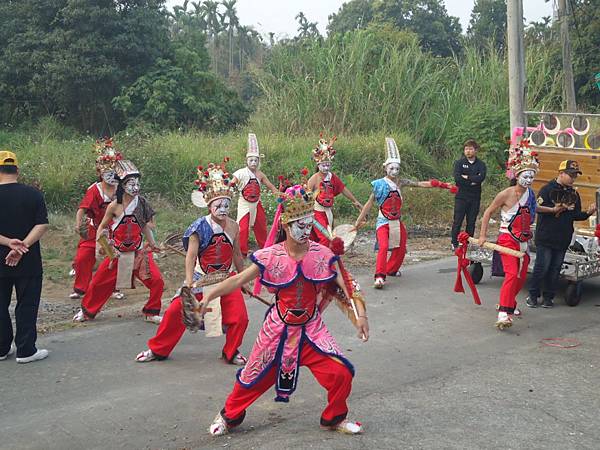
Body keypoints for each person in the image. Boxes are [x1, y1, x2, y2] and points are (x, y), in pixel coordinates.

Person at [202, 182, 369, 437]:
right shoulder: (271, 256)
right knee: (253, 377)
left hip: (311, 329)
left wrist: (361, 315)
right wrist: (209, 295)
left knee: (341, 372)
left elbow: (347, 284)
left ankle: (335, 417)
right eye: (299, 224)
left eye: (309, 222)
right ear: (285, 225)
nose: (305, 229)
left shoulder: (322, 254)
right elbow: (237, 280)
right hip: (278, 330)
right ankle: (228, 416)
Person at [135, 159, 249, 365]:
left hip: (226, 279)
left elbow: (237, 256)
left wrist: (243, 280)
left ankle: (231, 352)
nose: (223, 209)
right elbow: (190, 256)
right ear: (209, 205)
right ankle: (158, 349)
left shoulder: (233, 226)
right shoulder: (199, 227)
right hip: (201, 278)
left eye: (226, 205)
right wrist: (188, 281)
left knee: (240, 317)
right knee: (174, 311)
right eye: (218, 205)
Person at [354, 137, 456, 289]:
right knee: (382, 247)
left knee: (401, 248)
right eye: (391, 168)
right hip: (383, 221)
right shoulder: (379, 185)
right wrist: (358, 222)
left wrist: (441, 185)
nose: (394, 171)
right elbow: (369, 204)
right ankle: (380, 276)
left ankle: (392, 270)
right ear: (385, 168)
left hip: (397, 221)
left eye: (397, 169)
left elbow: (420, 184)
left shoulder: (402, 182)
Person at [73, 160, 164, 323]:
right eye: (131, 183)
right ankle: (87, 312)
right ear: (122, 185)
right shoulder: (114, 206)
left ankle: (151, 311)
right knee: (98, 284)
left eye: (137, 183)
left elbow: (144, 226)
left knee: (157, 280)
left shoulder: (141, 203)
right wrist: (105, 247)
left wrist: (152, 243)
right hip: (117, 253)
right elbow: (101, 227)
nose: (135, 187)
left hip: (138, 252)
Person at [477, 144, 538, 329]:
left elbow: (533, 212)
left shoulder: (530, 195)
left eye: (532, 176)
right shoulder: (506, 194)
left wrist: (553, 209)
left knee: (520, 277)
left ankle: (509, 302)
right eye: (525, 176)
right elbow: (487, 212)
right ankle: (504, 313)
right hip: (507, 239)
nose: (529, 180)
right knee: (511, 274)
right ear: (517, 175)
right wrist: (482, 236)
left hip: (523, 241)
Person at [0, 150, 50, 363]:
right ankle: (26, 350)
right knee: (26, 304)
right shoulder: (33, 194)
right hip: (28, 260)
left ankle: (2, 348)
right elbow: (42, 224)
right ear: (17, 170)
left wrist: (8, 242)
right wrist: (23, 246)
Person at [526, 160, 596, 308]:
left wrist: (588, 213)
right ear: (561, 173)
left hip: (563, 237)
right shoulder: (547, 189)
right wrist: (553, 209)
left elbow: (576, 215)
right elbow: (536, 208)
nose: (573, 178)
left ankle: (549, 297)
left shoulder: (574, 193)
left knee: (555, 269)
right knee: (542, 267)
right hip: (546, 236)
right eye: (570, 175)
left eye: (575, 175)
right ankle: (533, 295)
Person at [69, 138, 120, 300]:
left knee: (115, 258)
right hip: (95, 229)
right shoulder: (94, 190)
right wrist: (78, 224)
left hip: (116, 230)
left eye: (113, 172)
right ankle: (80, 289)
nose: (110, 176)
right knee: (83, 257)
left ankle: (113, 288)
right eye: (107, 173)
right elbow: (82, 209)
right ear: (100, 173)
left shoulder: (123, 188)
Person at [307, 136, 362, 245]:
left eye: (328, 164)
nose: (326, 167)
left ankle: (327, 258)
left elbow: (343, 189)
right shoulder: (314, 178)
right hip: (317, 213)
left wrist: (355, 201)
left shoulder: (333, 177)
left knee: (330, 237)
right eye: (324, 165)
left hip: (329, 212)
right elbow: (306, 195)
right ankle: (322, 259)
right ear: (318, 165)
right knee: (325, 238)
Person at [230, 133, 279, 257]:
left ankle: (265, 248)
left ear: (258, 161)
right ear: (246, 161)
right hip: (244, 204)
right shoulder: (240, 173)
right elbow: (231, 184)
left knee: (261, 225)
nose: (253, 162)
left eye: (255, 160)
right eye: (251, 160)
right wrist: (227, 189)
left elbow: (270, 186)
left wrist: (278, 193)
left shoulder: (260, 174)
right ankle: (242, 252)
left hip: (257, 203)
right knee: (243, 228)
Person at [451, 139, 487, 250]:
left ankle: (468, 242)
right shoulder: (459, 163)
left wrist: (467, 177)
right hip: (461, 197)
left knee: (471, 221)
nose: (468, 151)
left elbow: (481, 178)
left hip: (475, 197)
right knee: (458, 220)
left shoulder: (481, 164)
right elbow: (457, 179)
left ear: (475, 150)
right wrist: (472, 181)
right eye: (466, 149)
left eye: (471, 149)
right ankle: (454, 242)